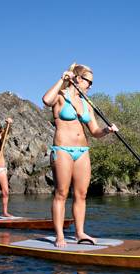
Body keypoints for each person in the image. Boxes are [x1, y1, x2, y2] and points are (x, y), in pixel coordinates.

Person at [42, 63, 118, 248]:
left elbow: (94, 131)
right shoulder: (61, 95)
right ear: (77, 78)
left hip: (82, 151)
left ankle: (79, 233)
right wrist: (62, 79)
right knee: (61, 193)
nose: (90, 86)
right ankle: (59, 235)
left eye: (92, 82)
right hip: (63, 150)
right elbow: (46, 100)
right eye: (88, 81)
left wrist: (107, 130)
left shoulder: (87, 103)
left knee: (82, 194)